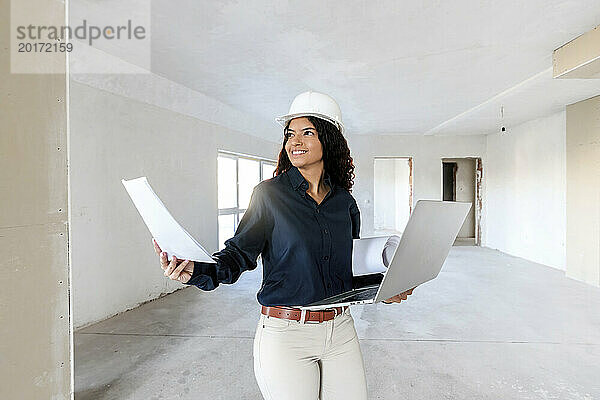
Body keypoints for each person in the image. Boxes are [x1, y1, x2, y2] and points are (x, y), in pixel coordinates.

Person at [152, 91, 415, 400]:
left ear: (328, 140)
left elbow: (349, 268)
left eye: (307, 133)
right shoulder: (269, 195)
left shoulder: (344, 202)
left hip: (340, 329)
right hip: (286, 335)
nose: (295, 142)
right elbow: (237, 255)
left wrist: (387, 287)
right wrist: (195, 270)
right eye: (290, 134)